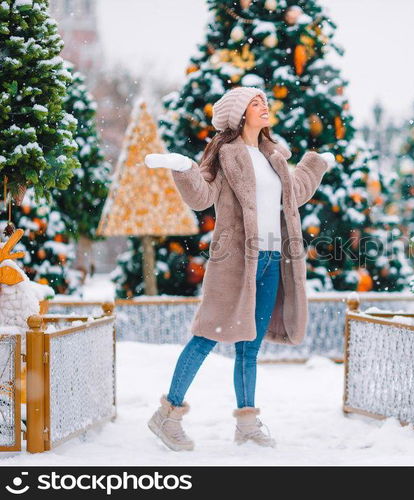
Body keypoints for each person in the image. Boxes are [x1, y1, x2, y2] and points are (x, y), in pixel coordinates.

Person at [143, 87, 334, 450]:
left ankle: (247, 423)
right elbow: (202, 196)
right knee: (206, 336)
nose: (264, 107)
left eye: (264, 102)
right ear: (239, 114)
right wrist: (184, 168)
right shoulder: (227, 153)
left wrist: (315, 163)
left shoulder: (273, 155)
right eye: (256, 103)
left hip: (273, 259)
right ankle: (167, 414)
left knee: (250, 346)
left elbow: (296, 192)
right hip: (235, 261)